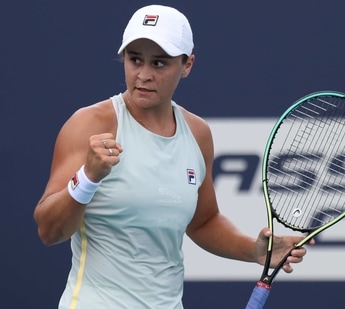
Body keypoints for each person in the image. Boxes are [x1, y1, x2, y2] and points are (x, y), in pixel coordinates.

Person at [33, 4, 312, 308]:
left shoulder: (198, 134)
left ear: (187, 65)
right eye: (134, 59)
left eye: (160, 63)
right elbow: (49, 231)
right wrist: (87, 177)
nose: (144, 74)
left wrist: (255, 251)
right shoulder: (89, 124)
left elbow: (203, 221)